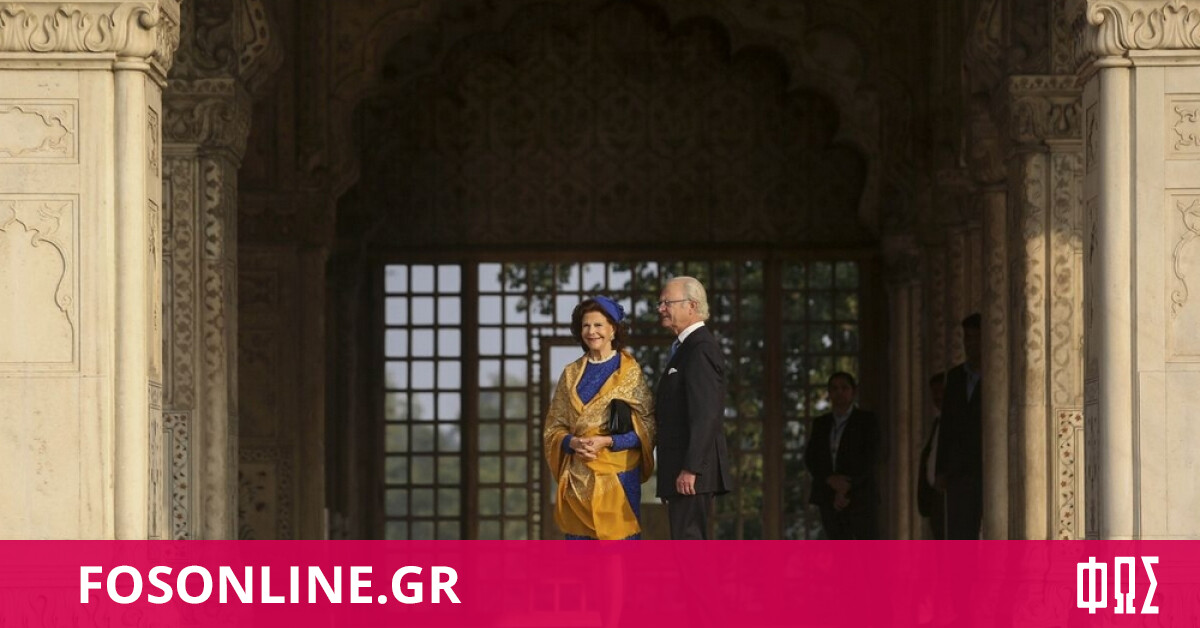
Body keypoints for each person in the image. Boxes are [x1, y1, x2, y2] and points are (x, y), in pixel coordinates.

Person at [543, 296, 656, 540]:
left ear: (613, 329)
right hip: (578, 481)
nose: (591, 331)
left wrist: (607, 442)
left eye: (598, 325)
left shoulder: (629, 373)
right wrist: (573, 443)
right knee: (580, 556)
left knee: (617, 554)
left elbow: (647, 428)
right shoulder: (570, 374)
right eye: (586, 325)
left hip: (619, 479)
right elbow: (553, 428)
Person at [654, 276, 732, 539]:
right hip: (680, 470)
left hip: (690, 472)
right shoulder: (684, 348)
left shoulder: (700, 348)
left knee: (689, 546)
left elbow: (706, 413)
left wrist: (691, 468)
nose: (661, 309)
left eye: (667, 303)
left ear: (692, 306)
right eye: (660, 303)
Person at [805, 371, 878, 539]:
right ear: (829, 393)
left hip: (860, 496)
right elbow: (811, 458)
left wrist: (846, 485)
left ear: (853, 391)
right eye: (834, 389)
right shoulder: (821, 424)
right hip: (828, 496)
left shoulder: (867, 421)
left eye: (844, 388)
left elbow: (872, 456)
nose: (839, 393)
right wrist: (830, 479)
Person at [936, 313, 983, 539]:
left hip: (988, 467)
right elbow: (946, 425)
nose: (971, 344)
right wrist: (941, 470)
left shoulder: (999, 375)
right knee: (960, 535)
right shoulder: (955, 377)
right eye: (967, 338)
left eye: (976, 338)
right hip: (959, 472)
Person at [917, 372, 947, 539]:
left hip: (950, 499)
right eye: (934, 392)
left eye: (942, 391)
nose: (937, 396)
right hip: (936, 501)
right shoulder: (937, 422)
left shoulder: (959, 423)